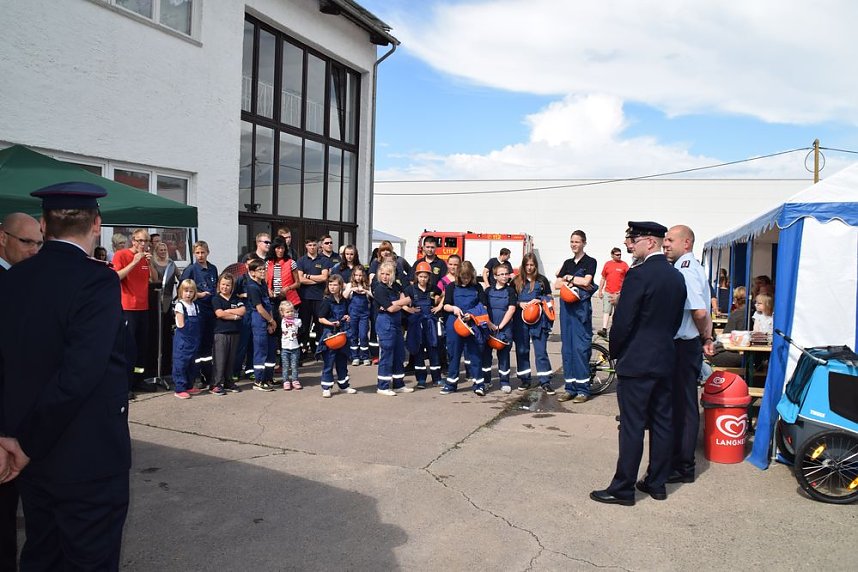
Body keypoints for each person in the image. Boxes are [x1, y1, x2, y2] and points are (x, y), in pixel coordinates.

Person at [0, 182, 131, 568]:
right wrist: (25, 443)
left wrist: (12, 436)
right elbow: (80, 375)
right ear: (97, 224)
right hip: (85, 458)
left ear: (43, 225)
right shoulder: (97, 280)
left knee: (43, 554)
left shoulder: (13, 279)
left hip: (31, 457)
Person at [590, 221, 686, 506]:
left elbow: (623, 322)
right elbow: (675, 320)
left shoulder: (639, 275)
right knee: (662, 423)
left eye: (635, 240)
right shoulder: (675, 276)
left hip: (637, 360)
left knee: (632, 426)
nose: (631, 245)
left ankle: (623, 488)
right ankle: (656, 483)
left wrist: (616, 351)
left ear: (650, 242)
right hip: (665, 358)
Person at [0, 212, 41, 571]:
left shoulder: (27, 281)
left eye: (39, 243)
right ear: (3, 238)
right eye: (26, 241)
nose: (34, 250)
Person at [661, 224, 715, 485]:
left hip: (683, 347)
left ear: (687, 243)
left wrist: (705, 336)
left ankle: (684, 465)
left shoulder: (685, 270)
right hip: (687, 345)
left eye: (671, 240)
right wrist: (707, 337)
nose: (665, 244)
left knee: (683, 407)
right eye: (664, 240)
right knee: (682, 405)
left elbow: (700, 311)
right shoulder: (690, 268)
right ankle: (681, 461)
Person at [113, 228, 158, 395]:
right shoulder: (122, 255)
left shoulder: (145, 258)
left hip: (143, 307)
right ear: (133, 241)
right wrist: (134, 262)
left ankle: (138, 380)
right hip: (127, 307)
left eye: (146, 242)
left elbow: (154, 279)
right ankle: (124, 385)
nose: (143, 244)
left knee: (141, 346)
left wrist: (151, 263)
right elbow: (116, 276)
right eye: (140, 241)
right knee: (127, 347)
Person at [555, 230, 598, 403]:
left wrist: (568, 278)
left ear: (584, 243)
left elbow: (587, 281)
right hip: (566, 310)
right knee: (567, 350)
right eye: (572, 241)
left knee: (580, 349)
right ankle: (570, 388)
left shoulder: (590, 261)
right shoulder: (567, 262)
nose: (574, 244)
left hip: (580, 310)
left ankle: (583, 389)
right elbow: (557, 283)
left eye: (577, 242)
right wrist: (570, 280)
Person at [441, 261, 488, 396]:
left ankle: (479, 384)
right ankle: (451, 384)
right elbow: (445, 305)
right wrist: (454, 308)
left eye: (468, 277)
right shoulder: (451, 287)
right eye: (463, 277)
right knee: (454, 354)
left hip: (472, 323)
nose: (465, 280)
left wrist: (472, 314)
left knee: (475, 354)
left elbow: (483, 306)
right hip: (454, 323)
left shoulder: (477, 287)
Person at [512, 253, 554, 394]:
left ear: (535, 266)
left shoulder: (542, 281)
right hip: (520, 320)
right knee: (522, 350)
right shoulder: (516, 281)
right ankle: (525, 380)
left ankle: (545, 381)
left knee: (541, 351)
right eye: (527, 265)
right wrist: (519, 303)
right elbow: (510, 300)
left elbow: (549, 297)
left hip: (539, 321)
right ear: (523, 265)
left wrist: (540, 299)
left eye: (532, 265)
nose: (529, 268)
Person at [180, 241, 219, 388]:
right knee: (196, 344)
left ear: (208, 252)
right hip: (197, 312)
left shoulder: (213, 269)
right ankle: (195, 376)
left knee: (208, 346)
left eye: (203, 252)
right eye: (197, 253)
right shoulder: (191, 270)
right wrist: (198, 294)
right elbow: (182, 292)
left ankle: (208, 375)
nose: (200, 255)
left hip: (211, 311)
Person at [372, 260, 413, 396]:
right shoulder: (379, 289)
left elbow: (407, 299)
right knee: (387, 354)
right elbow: (390, 308)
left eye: (387, 274)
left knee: (399, 353)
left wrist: (398, 303)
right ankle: (383, 386)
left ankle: (398, 384)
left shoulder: (395, 286)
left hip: (396, 323)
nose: (384, 276)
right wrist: (401, 303)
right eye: (382, 273)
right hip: (385, 323)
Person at [316, 275, 357, 398]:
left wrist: (347, 317)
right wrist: (331, 323)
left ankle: (344, 386)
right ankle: (326, 387)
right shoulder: (326, 301)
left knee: (342, 360)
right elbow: (320, 319)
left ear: (340, 286)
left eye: (335, 285)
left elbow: (347, 314)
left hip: (342, 333)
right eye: (330, 284)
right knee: (329, 361)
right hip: (330, 334)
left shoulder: (344, 300)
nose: (332, 287)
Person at [404, 262, 443, 388]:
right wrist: (409, 310)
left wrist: (439, 306)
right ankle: (421, 380)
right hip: (416, 325)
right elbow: (401, 301)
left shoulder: (433, 288)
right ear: (416, 276)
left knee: (433, 350)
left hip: (430, 324)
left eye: (425, 277)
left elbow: (443, 294)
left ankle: (437, 378)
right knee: (418, 351)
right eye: (421, 276)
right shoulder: (410, 289)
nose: (423, 279)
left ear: (429, 277)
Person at [481, 263, 517, 393]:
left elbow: (511, 309)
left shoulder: (510, 291)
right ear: (495, 276)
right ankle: (486, 381)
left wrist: (500, 326)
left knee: (504, 355)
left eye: (506, 274)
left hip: (504, 327)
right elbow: (483, 309)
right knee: (486, 356)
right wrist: (490, 324)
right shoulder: (488, 291)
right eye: (501, 274)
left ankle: (505, 382)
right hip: (488, 326)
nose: (504, 276)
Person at [211, 272, 246, 395]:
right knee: (220, 360)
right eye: (223, 284)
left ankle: (228, 381)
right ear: (219, 285)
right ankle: (216, 384)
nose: (225, 287)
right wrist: (235, 317)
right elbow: (219, 314)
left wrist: (229, 312)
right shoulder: (216, 299)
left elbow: (243, 310)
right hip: (221, 333)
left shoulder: (236, 299)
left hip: (234, 333)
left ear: (232, 286)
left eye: (228, 285)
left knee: (231, 359)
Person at [246, 259, 278, 391]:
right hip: (259, 319)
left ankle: (268, 377)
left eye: (264, 269)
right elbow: (259, 308)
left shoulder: (263, 283)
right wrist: (271, 320)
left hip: (268, 318)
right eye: (260, 270)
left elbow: (267, 303)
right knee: (261, 350)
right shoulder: (252, 287)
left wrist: (271, 322)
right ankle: (259, 380)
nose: (263, 272)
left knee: (270, 349)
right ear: (252, 272)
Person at [296, 237, 331, 357]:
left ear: (318, 246)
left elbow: (324, 277)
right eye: (310, 245)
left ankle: (318, 349)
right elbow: (300, 279)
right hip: (305, 297)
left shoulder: (324, 260)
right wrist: (316, 280)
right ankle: (303, 349)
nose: (312, 247)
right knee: (304, 324)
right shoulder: (301, 261)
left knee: (319, 324)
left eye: (314, 245)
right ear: (306, 246)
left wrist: (308, 276)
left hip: (319, 297)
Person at [172, 279, 202, 399]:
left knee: (192, 364)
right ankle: (180, 388)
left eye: (191, 291)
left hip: (194, 340)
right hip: (183, 340)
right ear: (181, 292)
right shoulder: (180, 305)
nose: (188, 294)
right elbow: (181, 324)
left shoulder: (195, 305)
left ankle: (189, 385)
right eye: (186, 291)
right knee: (181, 363)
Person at [596, 247, 629, 338]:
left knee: (618, 312)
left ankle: (616, 330)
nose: (619, 256)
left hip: (619, 293)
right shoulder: (607, 264)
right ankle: (604, 329)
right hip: (608, 292)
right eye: (617, 255)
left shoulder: (624, 265)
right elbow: (603, 278)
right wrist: (600, 290)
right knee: (606, 311)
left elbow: (629, 278)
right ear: (612, 255)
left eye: (620, 254)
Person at [344, 266, 372, 366]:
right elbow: (344, 296)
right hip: (353, 314)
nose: (358, 277)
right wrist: (352, 289)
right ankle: (355, 356)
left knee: (363, 335)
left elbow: (373, 295)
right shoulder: (349, 285)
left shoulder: (367, 285)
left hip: (364, 315)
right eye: (356, 275)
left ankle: (365, 356)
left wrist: (366, 291)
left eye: (360, 275)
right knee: (353, 335)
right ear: (353, 275)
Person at [279, 301, 302, 390]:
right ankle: (286, 381)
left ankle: (295, 380)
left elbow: (300, 326)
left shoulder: (297, 321)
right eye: (287, 312)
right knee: (285, 366)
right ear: (282, 313)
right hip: (285, 348)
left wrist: (295, 321)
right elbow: (285, 328)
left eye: (291, 311)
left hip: (295, 347)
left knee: (294, 365)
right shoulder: (283, 321)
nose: (290, 313)